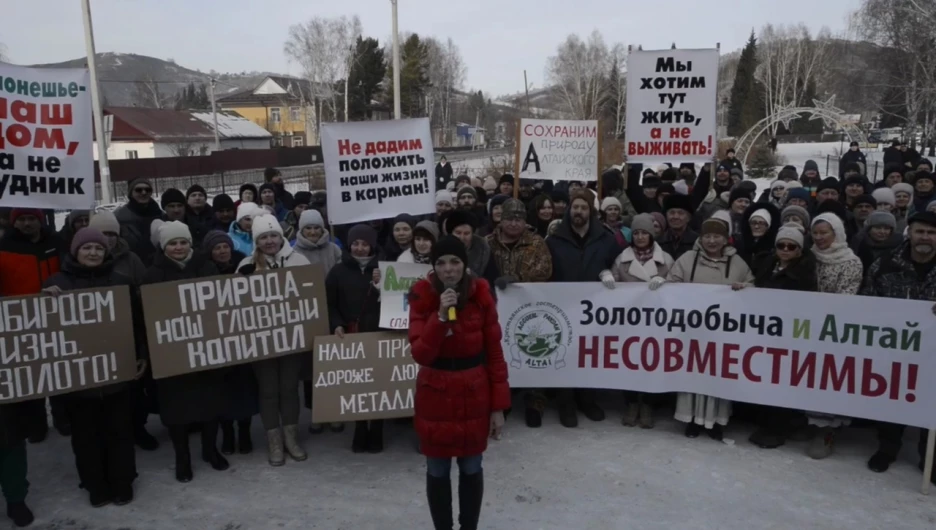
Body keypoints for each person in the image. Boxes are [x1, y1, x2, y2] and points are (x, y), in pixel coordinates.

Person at [408, 234, 509, 530]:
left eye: (454, 262)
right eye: (440, 263)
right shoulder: (421, 296)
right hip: (435, 396)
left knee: (471, 467)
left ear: (465, 265)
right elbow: (420, 353)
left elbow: (494, 352)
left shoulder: (480, 296)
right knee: (437, 469)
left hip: (473, 395)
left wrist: (498, 407)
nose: (448, 269)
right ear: (433, 267)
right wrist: (439, 318)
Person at [43, 228, 145, 507]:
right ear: (75, 251)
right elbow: (44, 331)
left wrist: (140, 356)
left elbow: (137, 325)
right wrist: (42, 301)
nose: (93, 253)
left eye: (98, 249)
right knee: (86, 437)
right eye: (87, 248)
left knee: (119, 432)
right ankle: (95, 484)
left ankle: (123, 481)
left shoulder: (121, 282)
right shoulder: (56, 284)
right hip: (79, 383)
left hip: (117, 376)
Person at [142, 221, 228, 482]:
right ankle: (182, 457)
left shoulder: (206, 267)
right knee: (176, 409)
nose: (178, 247)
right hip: (171, 352)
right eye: (172, 243)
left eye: (183, 242)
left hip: (207, 348)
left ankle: (210, 449)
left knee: (210, 403)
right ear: (163, 246)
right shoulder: (152, 274)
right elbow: (145, 316)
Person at [662, 212, 754, 440]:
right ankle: (691, 419)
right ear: (701, 238)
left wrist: (744, 288)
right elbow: (672, 285)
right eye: (707, 236)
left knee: (717, 375)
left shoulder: (737, 262)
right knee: (692, 374)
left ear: (725, 239)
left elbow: (752, 287)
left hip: (722, 331)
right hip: (692, 330)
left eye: (717, 236)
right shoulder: (687, 259)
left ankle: (715, 421)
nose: (712, 241)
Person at [861, 212, 936, 482]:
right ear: (910, 234)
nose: (925, 237)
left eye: (932, 232)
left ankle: (931, 455)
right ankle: (888, 447)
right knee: (892, 399)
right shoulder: (886, 264)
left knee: (932, 401)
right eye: (920, 231)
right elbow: (868, 300)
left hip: (933, 353)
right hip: (894, 349)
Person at [233, 215, 311, 465]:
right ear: (256, 240)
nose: (269, 241)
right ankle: (274, 441)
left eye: (273, 235)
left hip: (292, 339)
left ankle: (291, 437)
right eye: (263, 237)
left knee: (289, 389)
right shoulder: (246, 264)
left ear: (281, 236)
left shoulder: (299, 260)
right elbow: (234, 303)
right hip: (262, 340)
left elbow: (311, 295)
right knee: (268, 391)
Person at [546, 189, 619, 427]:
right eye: (575, 207)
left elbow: (616, 266)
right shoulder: (554, 240)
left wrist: (610, 274)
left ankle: (587, 399)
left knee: (589, 354)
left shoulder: (606, 239)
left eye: (583, 207)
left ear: (592, 211)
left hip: (594, 309)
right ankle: (565, 402)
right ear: (569, 210)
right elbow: (545, 273)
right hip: (563, 307)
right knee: (565, 353)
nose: (579, 212)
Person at [748, 224, 817, 449]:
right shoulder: (766, 264)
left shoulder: (806, 271)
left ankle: (777, 429)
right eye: (781, 245)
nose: (786, 249)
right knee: (763, 377)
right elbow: (756, 288)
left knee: (782, 380)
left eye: (791, 246)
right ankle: (764, 423)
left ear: (799, 249)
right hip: (764, 330)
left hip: (789, 333)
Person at [0, 208, 65, 444]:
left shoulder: (56, 242)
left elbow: (67, 270)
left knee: (60, 369)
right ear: (14, 223)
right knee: (32, 373)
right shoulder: (4, 247)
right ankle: (36, 424)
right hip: (21, 321)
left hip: (57, 317)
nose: (27, 223)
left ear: (40, 221)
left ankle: (62, 417)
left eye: (31, 219)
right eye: (22, 219)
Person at [805, 213, 863, 459]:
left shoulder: (851, 262)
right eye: (815, 233)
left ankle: (827, 430)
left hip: (833, 329)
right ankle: (805, 422)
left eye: (824, 233)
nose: (819, 238)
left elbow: (845, 298)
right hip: (804, 327)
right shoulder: (807, 257)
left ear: (836, 233)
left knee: (828, 377)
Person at [197, 230, 258, 457]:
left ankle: (244, 432)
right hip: (217, 340)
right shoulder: (203, 272)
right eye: (217, 248)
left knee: (244, 389)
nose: (222, 251)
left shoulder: (246, 266)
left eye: (225, 246)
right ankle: (228, 433)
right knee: (222, 391)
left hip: (244, 337)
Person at [325, 224, 384, 453]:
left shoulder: (384, 269)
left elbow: (400, 299)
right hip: (352, 335)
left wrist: (382, 285)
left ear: (372, 245)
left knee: (379, 383)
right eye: (355, 244)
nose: (360, 248)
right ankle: (360, 429)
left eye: (364, 243)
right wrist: (336, 324)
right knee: (359, 384)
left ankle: (377, 429)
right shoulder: (338, 272)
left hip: (380, 334)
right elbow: (329, 303)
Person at [612, 213, 674, 428]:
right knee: (628, 361)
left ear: (652, 235)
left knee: (651, 362)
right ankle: (631, 403)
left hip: (655, 322)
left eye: (644, 233)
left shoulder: (665, 259)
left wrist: (664, 281)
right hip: (629, 321)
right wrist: (607, 277)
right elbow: (613, 285)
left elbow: (677, 286)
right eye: (636, 232)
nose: (639, 237)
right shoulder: (622, 258)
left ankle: (647, 403)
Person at [115, 178, 164, 265]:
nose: (144, 192)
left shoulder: (160, 215)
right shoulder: (119, 217)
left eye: (147, 190)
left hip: (158, 266)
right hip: (131, 266)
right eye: (138, 190)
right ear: (131, 193)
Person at [444, 211, 500, 288]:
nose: (462, 238)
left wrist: (472, 276)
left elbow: (490, 280)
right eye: (458, 233)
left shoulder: (483, 248)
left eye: (466, 233)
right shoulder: (442, 247)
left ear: (472, 234)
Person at [738, 204, 780, 274]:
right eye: (753, 223)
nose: (756, 226)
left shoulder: (773, 249)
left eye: (761, 223)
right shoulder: (740, 246)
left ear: (768, 226)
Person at [658, 195, 698, 259]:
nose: (676, 217)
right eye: (672, 213)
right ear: (666, 216)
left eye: (680, 213)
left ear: (688, 218)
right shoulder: (658, 242)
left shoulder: (697, 242)